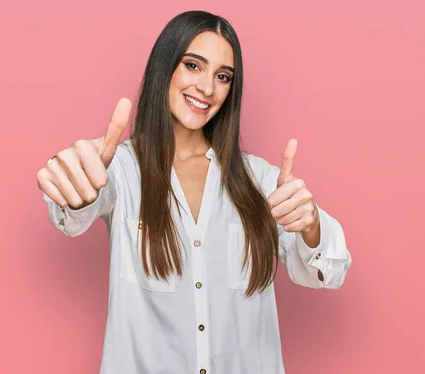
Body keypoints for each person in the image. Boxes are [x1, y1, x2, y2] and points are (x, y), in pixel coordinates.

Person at [36, 10, 351, 374]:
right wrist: (75, 189)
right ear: (164, 67)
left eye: (222, 77)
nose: (207, 88)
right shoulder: (121, 171)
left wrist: (311, 226)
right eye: (193, 65)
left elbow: (330, 270)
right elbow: (72, 212)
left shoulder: (260, 179)